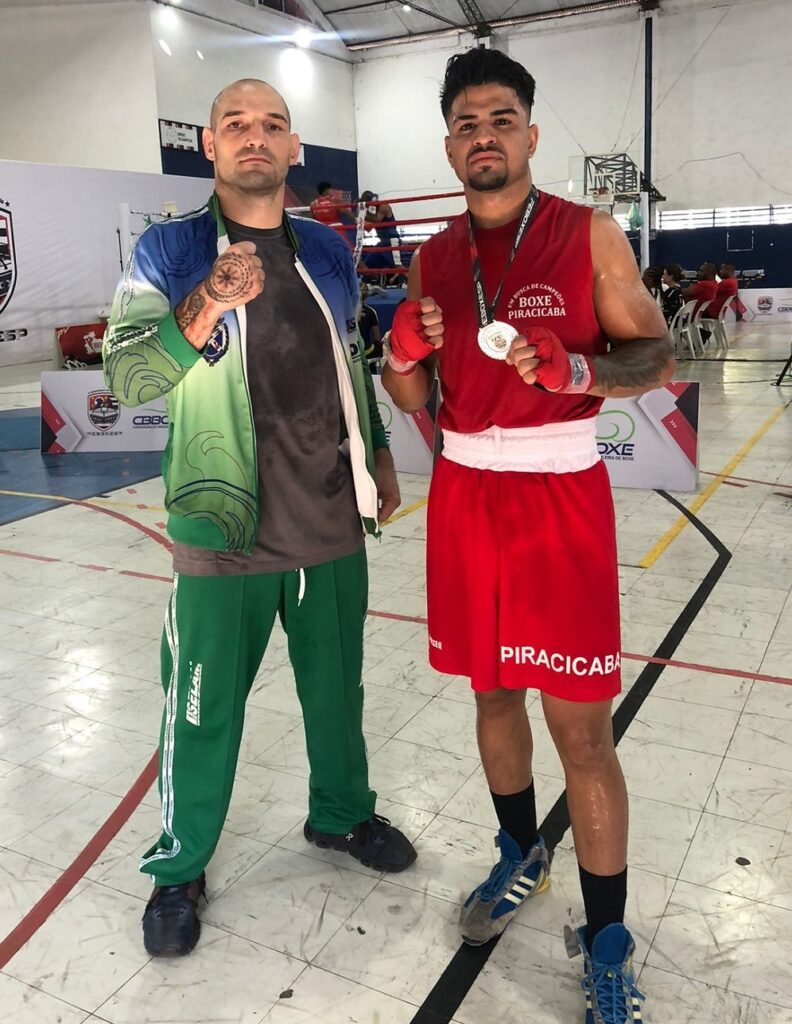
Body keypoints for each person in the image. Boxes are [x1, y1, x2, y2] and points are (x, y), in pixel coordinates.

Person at [382, 48, 674, 1024]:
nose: (484, 136)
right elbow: (413, 396)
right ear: (451, 144)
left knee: (581, 727)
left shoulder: (588, 233)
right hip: (466, 495)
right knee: (492, 693)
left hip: (558, 497)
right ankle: (520, 853)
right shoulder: (431, 257)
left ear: (531, 135)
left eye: (501, 119)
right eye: (467, 123)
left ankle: (608, 938)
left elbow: (656, 349)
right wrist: (401, 355)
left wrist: (583, 374)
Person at [103, 78, 417, 959]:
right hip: (222, 528)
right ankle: (179, 865)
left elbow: (353, 360)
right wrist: (207, 299)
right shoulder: (167, 250)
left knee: (337, 693)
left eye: (270, 126)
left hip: (330, 520)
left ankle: (341, 816)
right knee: (200, 710)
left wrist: (381, 452)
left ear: (292, 147)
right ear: (209, 145)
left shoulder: (326, 248)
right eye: (235, 125)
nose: (253, 138)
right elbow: (127, 379)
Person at [360, 189, 406, 285]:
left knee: (398, 266)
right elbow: (369, 228)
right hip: (382, 244)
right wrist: (359, 221)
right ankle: (377, 281)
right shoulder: (373, 210)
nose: (366, 206)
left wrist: (362, 214)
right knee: (367, 265)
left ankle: (414, 282)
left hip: (391, 241)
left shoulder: (383, 206)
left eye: (366, 203)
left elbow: (377, 220)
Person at [358, 283, 383, 361]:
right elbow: (377, 338)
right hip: (367, 351)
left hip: (351, 352)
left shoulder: (344, 312)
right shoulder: (371, 312)